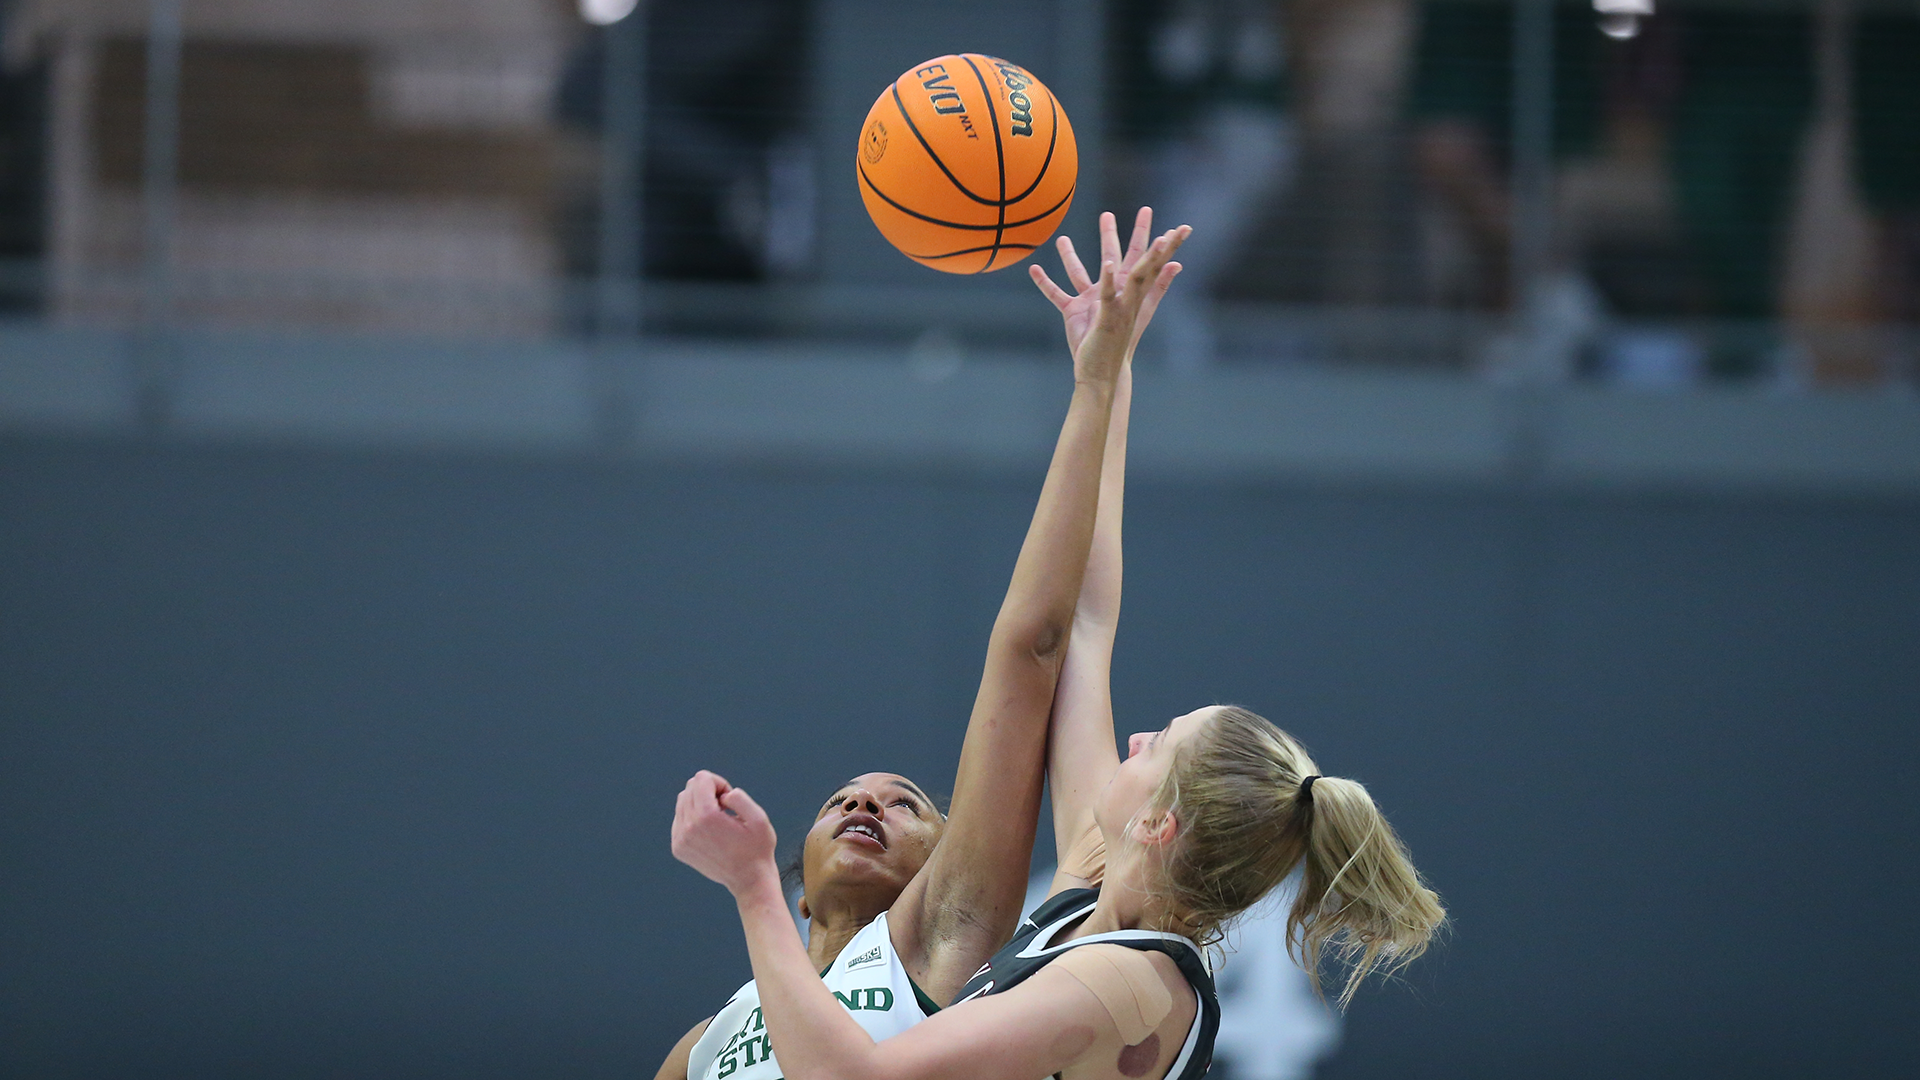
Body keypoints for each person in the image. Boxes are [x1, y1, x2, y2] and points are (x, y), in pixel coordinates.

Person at [669, 224, 1446, 1080]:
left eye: (1162, 744)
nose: (1139, 738)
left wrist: (752, 887)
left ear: (1159, 821)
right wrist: (1104, 378)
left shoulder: (1129, 983)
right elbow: (1082, 621)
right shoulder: (1089, 893)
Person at [654, 210, 1191, 1080]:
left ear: (960, 861)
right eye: (845, 801)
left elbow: (1044, 643)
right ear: (802, 891)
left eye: (907, 805)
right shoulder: (704, 1046)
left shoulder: (944, 935)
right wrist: (1109, 372)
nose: (867, 806)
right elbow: (1082, 627)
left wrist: (1097, 387)